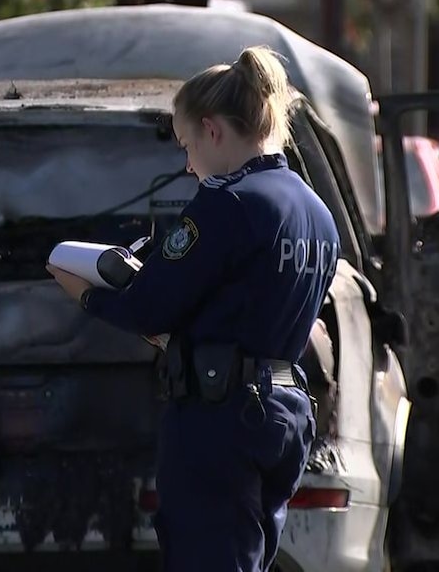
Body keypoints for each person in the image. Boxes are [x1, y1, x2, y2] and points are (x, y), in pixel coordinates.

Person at [46, 45, 340, 571]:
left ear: (212, 130)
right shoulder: (316, 213)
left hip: (220, 420)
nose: (187, 163)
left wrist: (85, 293)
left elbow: (149, 306)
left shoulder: (228, 203)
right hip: (282, 415)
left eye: (186, 144)